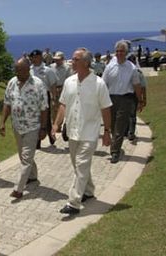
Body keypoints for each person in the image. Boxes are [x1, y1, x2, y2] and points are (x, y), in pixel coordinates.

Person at [52, 47, 112, 215]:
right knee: (78, 167)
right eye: (72, 59)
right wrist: (56, 124)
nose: (72, 62)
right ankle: (89, 191)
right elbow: (63, 104)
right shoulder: (69, 81)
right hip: (72, 132)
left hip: (89, 133)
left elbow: (106, 109)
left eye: (76, 59)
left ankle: (73, 202)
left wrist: (107, 131)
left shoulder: (99, 84)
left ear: (86, 63)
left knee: (81, 165)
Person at [0, 57, 48, 199]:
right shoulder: (12, 83)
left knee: (26, 157)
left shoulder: (38, 84)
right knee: (23, 155)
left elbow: (44, 108)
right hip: (17, 126)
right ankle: (32, 176)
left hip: (32, 127)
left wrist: (44, 128)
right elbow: (7, 103)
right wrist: (2, 122)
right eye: (16, 69)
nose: (17, 72)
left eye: (20, 70)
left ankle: (19, 189)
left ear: (28, 69)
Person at [102, 40, 143, 163]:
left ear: (126, 53)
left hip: (125, 99)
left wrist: (140, 100)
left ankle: (115, 151)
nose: (119, 53)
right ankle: (116, 143)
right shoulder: (110, 66)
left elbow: (136, 85)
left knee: (120, 125)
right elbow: (103, 84)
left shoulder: (132, 68)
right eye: (117, 51)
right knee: (113, 125)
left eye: (122, 51)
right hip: (111, 98)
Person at [29, 49, 58, 148]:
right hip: (32, 96)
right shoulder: (30, 70)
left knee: (46, 118)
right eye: (33, 57)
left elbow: (53, 84)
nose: (34, 59)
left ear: (41, 57)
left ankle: (51, 136)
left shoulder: (47, 70)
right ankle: (37, 142)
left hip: (44, 95)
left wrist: (54, 99)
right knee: (35, 119)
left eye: (36, 57)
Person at [126, 54, 147, 141]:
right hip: (134, 96)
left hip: (126, 95)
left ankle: (126, 132)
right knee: (132, 115)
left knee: (126, 114)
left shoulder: (124, 72)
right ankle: (131, 133)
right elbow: (143, 87)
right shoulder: (139, 72)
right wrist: (143, 99)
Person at [50, 51, 72, 131]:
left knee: (61, 107)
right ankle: (54, 124)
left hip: (62, 88)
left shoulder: (67, 68)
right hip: (53, 88)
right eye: (55, 59)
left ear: (62, 59)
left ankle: (59, 125)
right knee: (53, 106)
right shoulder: (51, 67)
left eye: (58, 59)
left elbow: (69, 79)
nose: (56, 61)